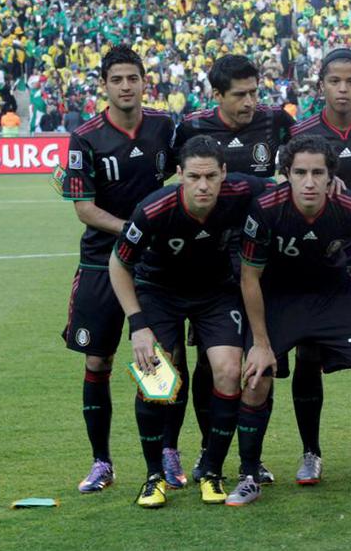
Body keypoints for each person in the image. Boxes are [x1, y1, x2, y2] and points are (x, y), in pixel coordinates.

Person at [231, 134, 351, 505]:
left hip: (334, 297)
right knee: (256, 378)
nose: (309, 181)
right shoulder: (266, 208)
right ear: (286, 174)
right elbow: (249, 277)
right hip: (280, 299)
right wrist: (260, 344)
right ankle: (249, 475)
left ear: (331, 175)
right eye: (300, 172)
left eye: (317, 173)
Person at [109, 135, 270, 508]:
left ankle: (211, 470)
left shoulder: (242, 190)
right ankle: (153, 477)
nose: (203, 185)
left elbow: (285, 187)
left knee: (229, 370)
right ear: (179, 174)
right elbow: (118, 264)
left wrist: (333, 183)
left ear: (224, 173)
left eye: (211, 176)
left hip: (215, 293)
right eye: (194, 176)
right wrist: (138, 325)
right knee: (155, 374)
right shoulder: (153, 208)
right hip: (158, 292)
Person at [172, 54, 300, 484]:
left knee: (264, 361)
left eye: (254, 92)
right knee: (211, 363)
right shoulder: (192, 128)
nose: (250, 102)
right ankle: (209, 449)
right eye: (240, 94)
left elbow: (308, 156)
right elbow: (173, 179)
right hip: (208, 263)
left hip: (264, 261)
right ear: (217, 95)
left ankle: (252, 458)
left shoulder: (276, 122)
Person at [61, 45, 176, 494]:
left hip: (154, 263)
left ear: (145, 82)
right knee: (98, 360)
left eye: (133, 78)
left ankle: (166, 454)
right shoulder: (86, 137)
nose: (126, 86)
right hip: (100, 261)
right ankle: (101, 462)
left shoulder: (165, 127)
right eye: (117, 80)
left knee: (159, 362)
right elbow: (84, 209)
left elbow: (195, 168)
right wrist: (134, 228)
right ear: (104, 86)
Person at [287, 48, 351, 484]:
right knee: (308, 358)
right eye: (335, 81)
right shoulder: (301, 133)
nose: (343, 89)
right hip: (318, 265)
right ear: (321, 86)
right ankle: (310, 452)